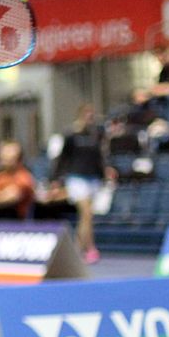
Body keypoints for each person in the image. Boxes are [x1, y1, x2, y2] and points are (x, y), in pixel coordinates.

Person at [53, 104, 115, 263]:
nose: (90, 117)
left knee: (86, 217)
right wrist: (55, 180)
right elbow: (62, 158)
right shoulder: (71, 135)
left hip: (93, 178)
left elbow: (99, 157)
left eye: (92, 114)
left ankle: (76, 249)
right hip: (76, 178)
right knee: (86, 213)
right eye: (87, 114)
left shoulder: (97, 135)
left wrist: (104, 174)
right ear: (80, 114)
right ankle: (91, 248)